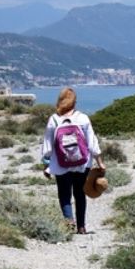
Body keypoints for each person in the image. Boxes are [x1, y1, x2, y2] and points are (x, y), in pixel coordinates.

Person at [42, 87, 104, 234]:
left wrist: (46, 165)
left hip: (60, 164)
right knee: (80, 193)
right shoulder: (82, 118)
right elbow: (92, 143)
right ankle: (81, 226)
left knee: (64, 195)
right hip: (82, 163)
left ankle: (69, 223)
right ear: (74, 102)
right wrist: (100, 162)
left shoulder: (54, 119)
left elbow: (48, 145)